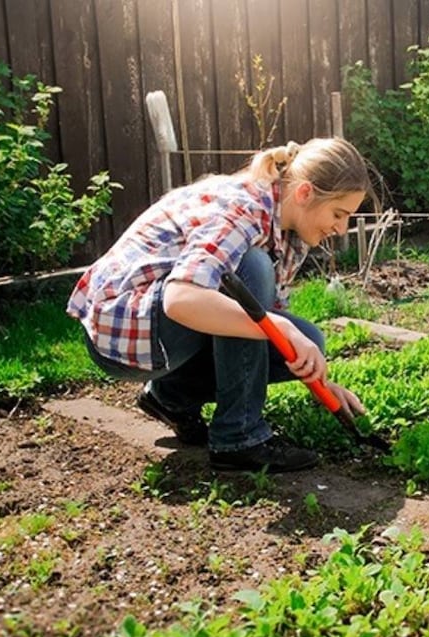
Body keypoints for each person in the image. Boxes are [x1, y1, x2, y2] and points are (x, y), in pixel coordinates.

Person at [67, 138, 373, 472]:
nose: (341, 229)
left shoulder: (290, 231)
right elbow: (181, 299)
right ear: (304, 193)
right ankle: (239, 439)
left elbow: (265, 315)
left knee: (307, 342)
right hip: (126, 329)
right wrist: (279, 326)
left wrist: (320, 383)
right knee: (250, 267)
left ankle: (169, 396)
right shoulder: (244, 209)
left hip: (164, 330)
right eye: (338, 214)